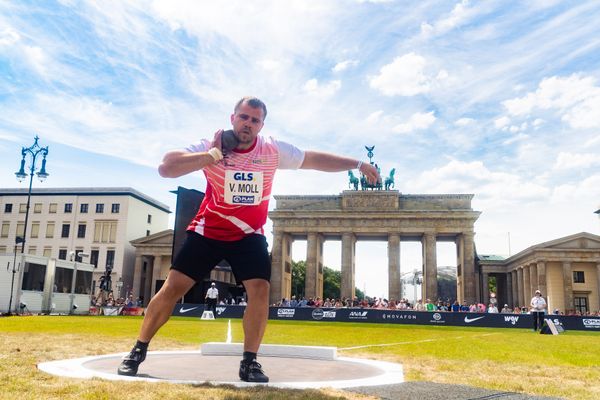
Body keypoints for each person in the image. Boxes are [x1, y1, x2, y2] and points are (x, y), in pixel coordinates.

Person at [117, 96, 380, 382]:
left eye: (255, 120)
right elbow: (166, 167)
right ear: (233, 118)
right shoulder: (211, 144)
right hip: (209, 230)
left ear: (261, 125)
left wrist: (358, 164)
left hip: (248, 234)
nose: (248, 124)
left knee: (260, 289)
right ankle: (138, 349)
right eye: (244, 117)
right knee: (173, 288)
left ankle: (250, 362)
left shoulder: (272, 149)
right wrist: (212, 156)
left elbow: (313, 158)